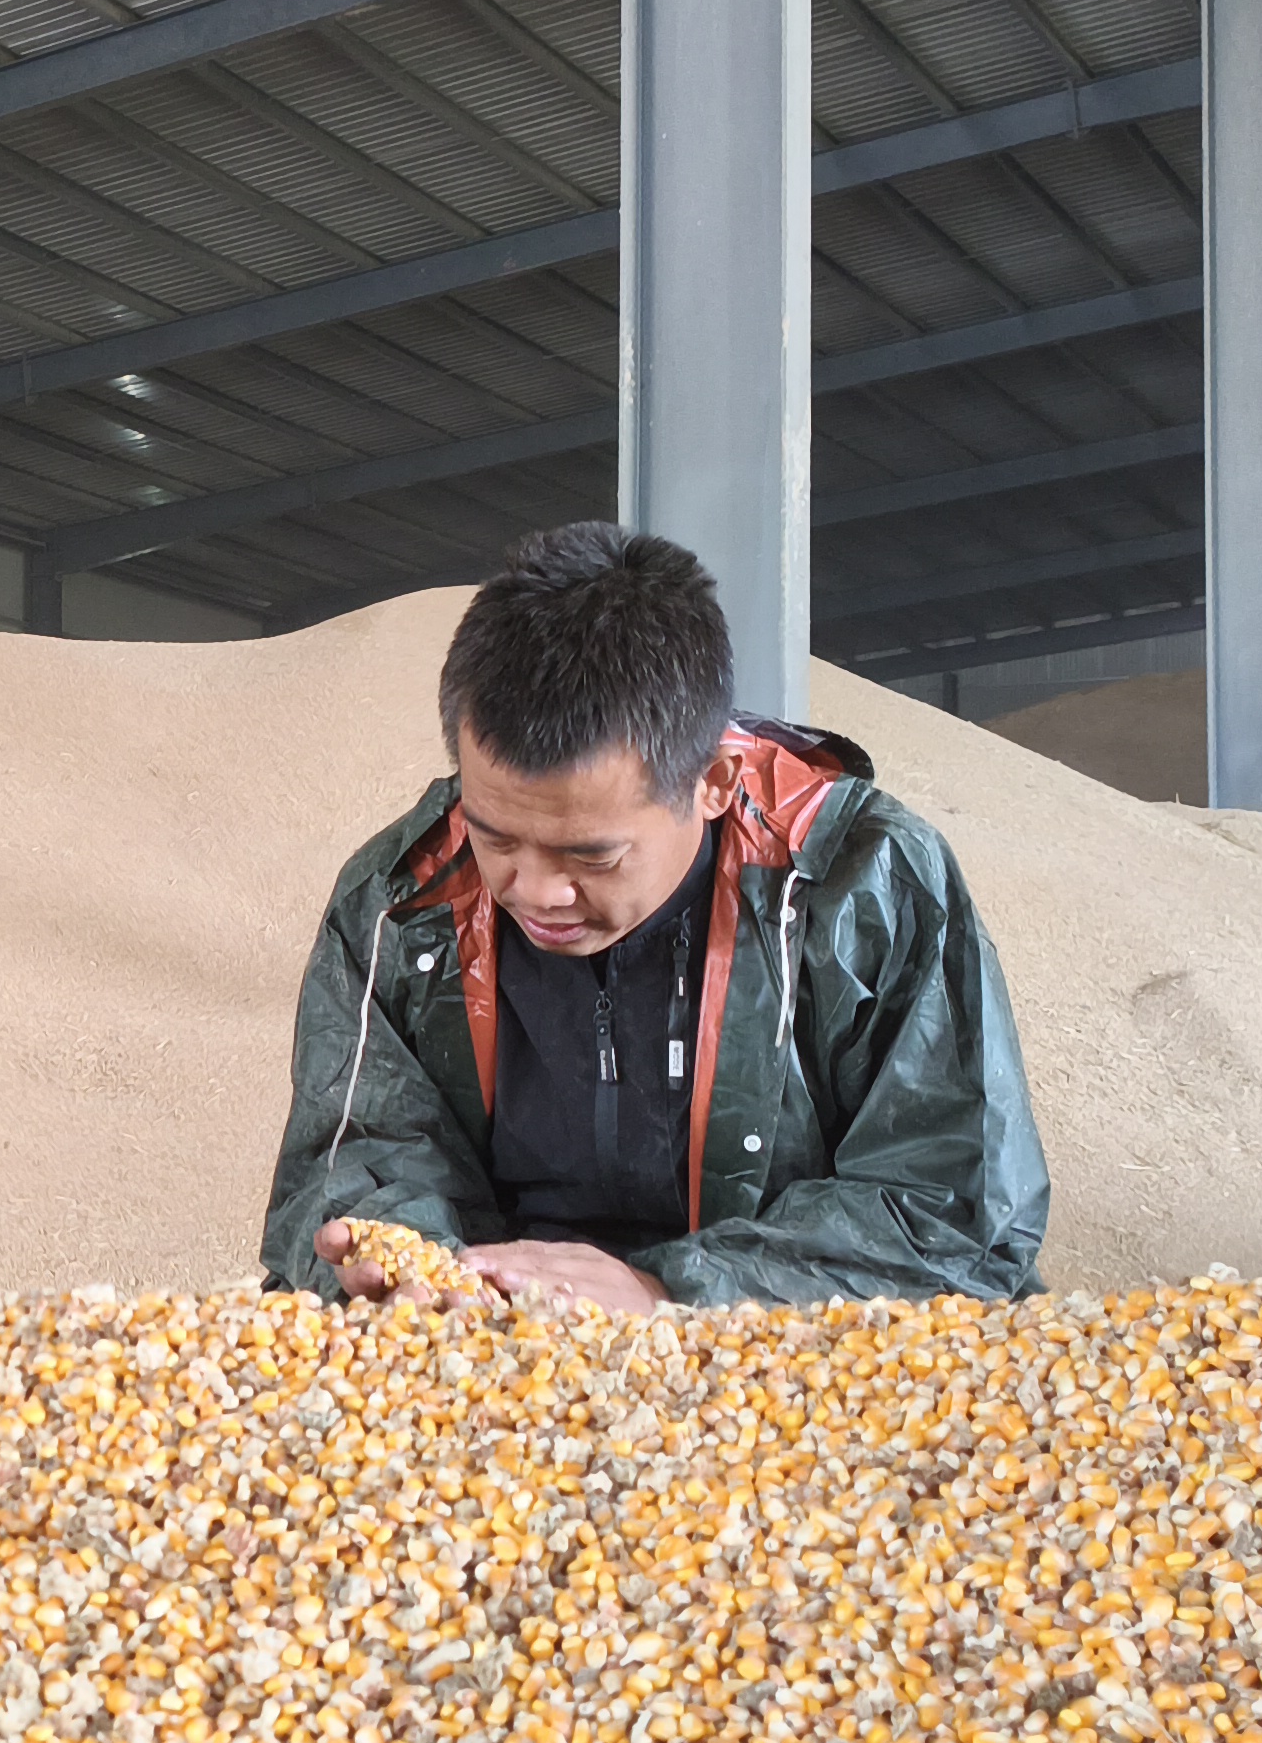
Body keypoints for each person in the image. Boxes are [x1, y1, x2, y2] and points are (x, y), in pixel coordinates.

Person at [262, 523, 1046, 1312]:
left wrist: (666, 1290)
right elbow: (354, 1160)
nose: (534, 890)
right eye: (494, 836)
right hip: (490, 1331)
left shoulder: (862, 882)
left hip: (769, 1336)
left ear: (713, 783)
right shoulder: (404, 901)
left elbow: (951, 1213)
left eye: (591, 855)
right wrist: (402, 1265)